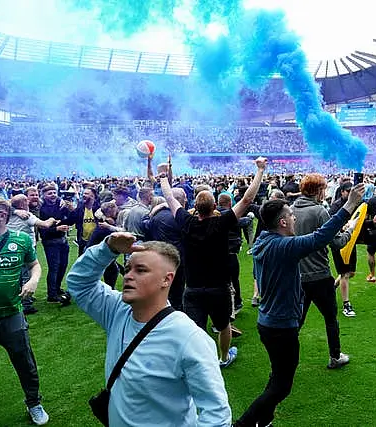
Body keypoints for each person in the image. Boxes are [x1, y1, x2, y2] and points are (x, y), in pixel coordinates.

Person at [66, 232, 231, 426]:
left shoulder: (188, 338)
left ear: (166, 280)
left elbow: (216, 414)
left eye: (140, 270)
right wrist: (107, 249)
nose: (128, 276)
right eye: (127, 268)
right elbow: (79, 283)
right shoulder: (118, 311)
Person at [233, 183, 365, 427]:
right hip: (281, 327)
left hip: (268, 323)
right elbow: (321, 237)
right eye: (291, 216)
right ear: (282, 222)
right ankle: (243, 424)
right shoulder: (284, 247)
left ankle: (265, 419)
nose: (294, 218)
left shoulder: (264, 239)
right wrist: (349, 206)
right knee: (282, 387)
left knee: (277, 375)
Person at [161, 157, 267, 368]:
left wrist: (163, 178)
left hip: (193, 288)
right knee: (223, 324)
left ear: (195, 208)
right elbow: (246, 200)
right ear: (214, 206)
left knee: (196, 329)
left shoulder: (186, 222)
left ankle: (199, 360)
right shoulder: (221, 222)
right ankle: (224, 357)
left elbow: (170, 199)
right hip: (218, 287)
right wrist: (260, 171)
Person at [0, 197, 49, 425]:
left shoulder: (22, 240)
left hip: (11, 316)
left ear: (2, 215)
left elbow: (34, 264)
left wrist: (34, 280)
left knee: (25, 363)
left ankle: (34, 402)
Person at [292, 173, 353, 368]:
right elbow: (336, 243)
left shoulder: (291, 209)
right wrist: (350, 231)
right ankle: (335, 356)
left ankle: (285, 358)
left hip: (297, 275)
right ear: (318, 190)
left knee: (296, 321)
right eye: (323, 189)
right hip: (319, 274)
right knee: (330, 318)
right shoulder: (319, 211)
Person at [38, 184, 76, 303]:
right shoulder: (42, 209)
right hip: (50, 241)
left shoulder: (61, 204)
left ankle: (57, 288)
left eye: (54, 192)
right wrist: (56, 228)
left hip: (62, 240)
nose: (53, 195)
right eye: (50, 193)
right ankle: (52, 294)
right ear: (44, 195)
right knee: (54, 267)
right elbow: (42, 229)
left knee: (63, 266)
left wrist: (70, 209)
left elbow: (69, 219)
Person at [329, 182, 357, 317]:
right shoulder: (335, 206)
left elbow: (359, 221)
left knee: (351, 273)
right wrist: (343, 227)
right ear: (342, 192)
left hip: (351, 242)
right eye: (348, 191)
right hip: (339, 242)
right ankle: (347, 304)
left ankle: (332, 287)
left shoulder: (356, 204)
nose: (351, 193)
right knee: (345, 273)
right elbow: (330, 224)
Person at [74, 187, 99, 256]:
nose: (84, 195)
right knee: (82, 262)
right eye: (83, 193)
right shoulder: (80, 207)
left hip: (96, 241)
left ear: (93, 196)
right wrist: (71, 211)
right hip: (83, 241)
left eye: (86, 193)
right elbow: (71, 221)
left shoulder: (99, 208)